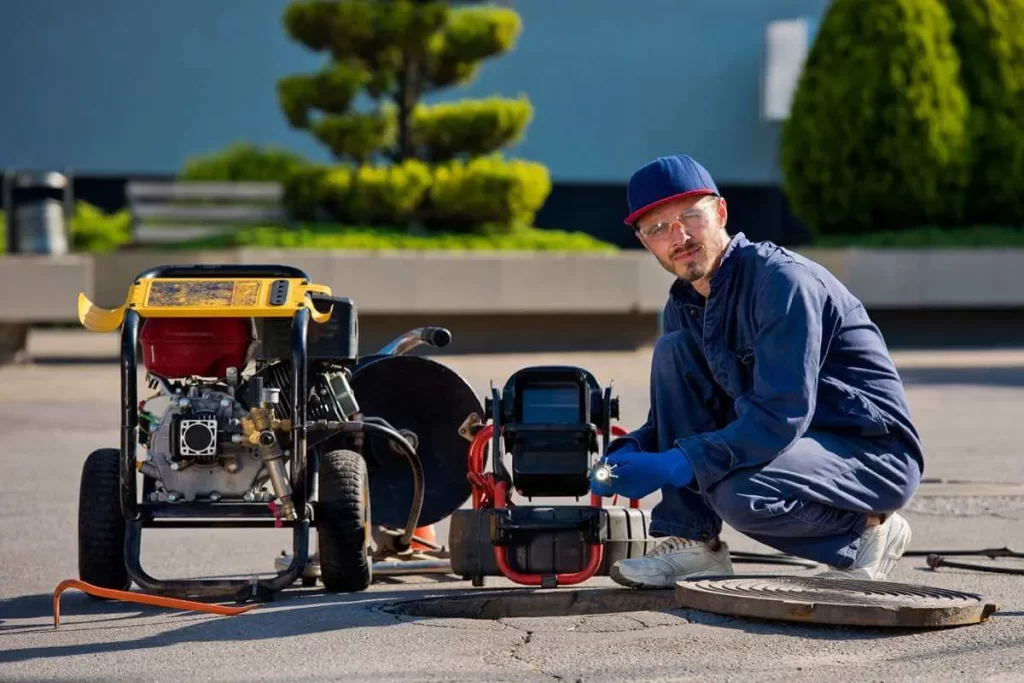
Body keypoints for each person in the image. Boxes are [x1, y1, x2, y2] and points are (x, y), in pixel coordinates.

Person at [593, 154, 924, 588]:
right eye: (658, 228)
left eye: (690, 216)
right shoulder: (684, 304)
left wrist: (680, 463)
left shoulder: (782, 282)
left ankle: (867, 530)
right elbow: (684, 415)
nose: (679, 236)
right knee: (672, 351)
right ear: (645, 242)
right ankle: (696, 545)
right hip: (792, 445)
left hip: (868, 452)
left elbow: (779, 415)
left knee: (740, 493)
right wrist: (631, 451)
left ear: (721, 212)